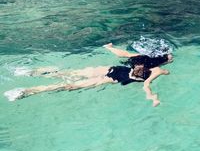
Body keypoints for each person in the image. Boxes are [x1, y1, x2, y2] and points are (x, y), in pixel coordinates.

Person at [4, 43, 173, 107]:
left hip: (110, 73)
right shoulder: (147, 65)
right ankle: (28, 80)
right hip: (111, 74)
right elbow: (124, 56)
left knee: (68, 79)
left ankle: (27, 82)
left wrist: (109, 47)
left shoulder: (146, 64)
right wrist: (154, 99)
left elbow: (123, 55)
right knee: (68, 81)